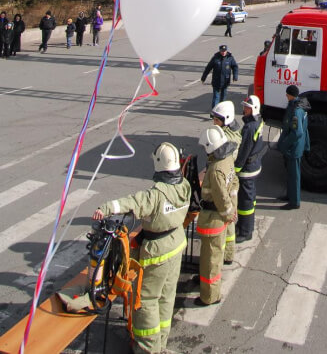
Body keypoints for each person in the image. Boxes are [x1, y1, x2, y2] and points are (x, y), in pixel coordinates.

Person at [92, 141, 191, 353]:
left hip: (158, 252)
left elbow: (132, 202)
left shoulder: (156, 195)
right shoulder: (185, 185)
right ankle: (161, 341)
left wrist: (106, 208)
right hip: (176, 244)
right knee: (167, 295)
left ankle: (148, 347)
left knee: (146, 300)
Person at [196, 125, 239, 306]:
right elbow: (234, 182)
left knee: (210, 261)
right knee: (215, 256)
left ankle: (210, 296)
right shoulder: (227, 159)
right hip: (221, 217)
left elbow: (220, 197)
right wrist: (232, 210)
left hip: (213, 218)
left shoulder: (214, 170)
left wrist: (228, 213)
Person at [211, 101, 242, 264]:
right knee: (229, 218)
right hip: (231, 177)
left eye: (217, 120)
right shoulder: (232, 132)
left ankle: (223, 255)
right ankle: (228, 254)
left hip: (226, 180)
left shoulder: (226, 138)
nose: (214, 123)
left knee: (226, 216)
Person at [235, 95, 266, 243]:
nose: (244, 109)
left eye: (247, 107)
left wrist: (236, 168)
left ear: (253, 109)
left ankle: (245, 231)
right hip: (255, 165)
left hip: (247, 169)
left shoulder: (249, 127)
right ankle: (246, 225)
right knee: (250, 198)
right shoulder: (257, 121)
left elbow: (244, 150)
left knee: (245, 202)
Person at [276, 85, 310, 210]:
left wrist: (285, 144)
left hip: (293, 147)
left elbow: (297, 132)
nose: (286, 96)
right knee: (290, 173)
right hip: (294, 146)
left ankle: (295, 202)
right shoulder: (298, 106)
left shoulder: (296, 111)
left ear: (291, 95)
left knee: (294, 175)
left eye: (287, 94)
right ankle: (289, 195)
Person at [202, 44, 239, 109]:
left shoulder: (230, 58)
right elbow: (208, 68)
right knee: (216, 97)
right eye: (222, 51)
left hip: (225, 82)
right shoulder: (215, 58)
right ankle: (214, 113)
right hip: (216, 81)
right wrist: (203, 77)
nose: (223, 52)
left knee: (223, 98)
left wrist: (235, 76)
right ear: (219, 51)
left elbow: (235, 67)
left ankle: (221, 111)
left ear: (226, 51)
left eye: (224, 51)